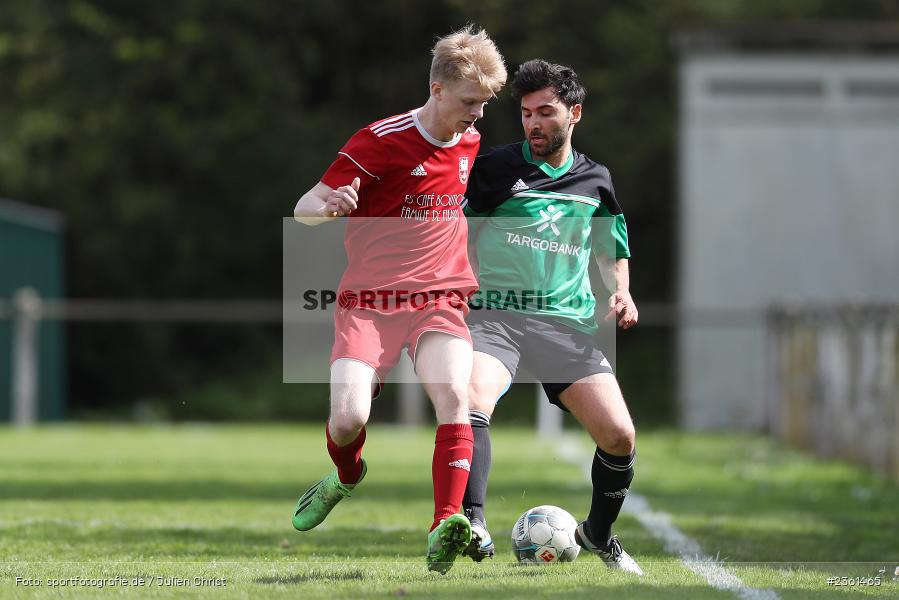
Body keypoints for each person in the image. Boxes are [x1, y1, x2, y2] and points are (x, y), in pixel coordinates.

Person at [290, 26, 506, 574]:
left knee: (454, 396)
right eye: (470, 102)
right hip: (369, 301)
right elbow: (305, 205)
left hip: (441, 297)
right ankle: (346, 475)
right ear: (437, 89)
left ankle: (446, 524)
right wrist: (328, 207)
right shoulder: (379, 141)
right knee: (348, 418)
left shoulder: (470, 141)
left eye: (484, 104)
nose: (478, 114)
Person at [460, 59, 643, 575]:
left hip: (565, 324)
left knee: (619, 436)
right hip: (495, 316)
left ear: (574, 113)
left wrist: (622, 292)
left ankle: (598, 534)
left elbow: (611, 247)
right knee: (470, 401)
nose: (533, 124)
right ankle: (472, 523)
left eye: (545, 112)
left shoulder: (595, 179)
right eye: (525, 114)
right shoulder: (494, 170)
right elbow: (459, 236)